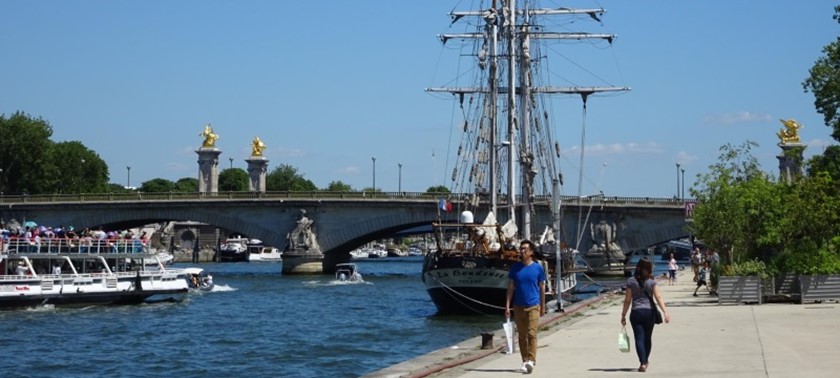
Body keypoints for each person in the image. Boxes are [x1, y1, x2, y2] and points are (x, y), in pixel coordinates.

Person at [621, 258, 670, 373]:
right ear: (649, 268)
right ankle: (645, 361)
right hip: (649, 312)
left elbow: (627, 300)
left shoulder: (631, 281)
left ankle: (643, 362)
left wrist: (623, 315)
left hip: (636, 312)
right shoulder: (652, 281)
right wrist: (665, 312)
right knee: (647, 338)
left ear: (637, 267)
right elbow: (658, 297)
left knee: (639, 338)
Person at [505, 240, 546, 374]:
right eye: (521, 249)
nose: (522, 251)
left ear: (531, 252)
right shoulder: (515, 268)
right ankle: (524, 360)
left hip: (533, 305)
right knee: (522, 336)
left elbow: (542, 287)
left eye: (525, 249)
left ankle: (531, 360)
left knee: (531, 333)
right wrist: (507, 306)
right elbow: (511, 287)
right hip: (518, 306)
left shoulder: (538, 268)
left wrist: (542, 305)